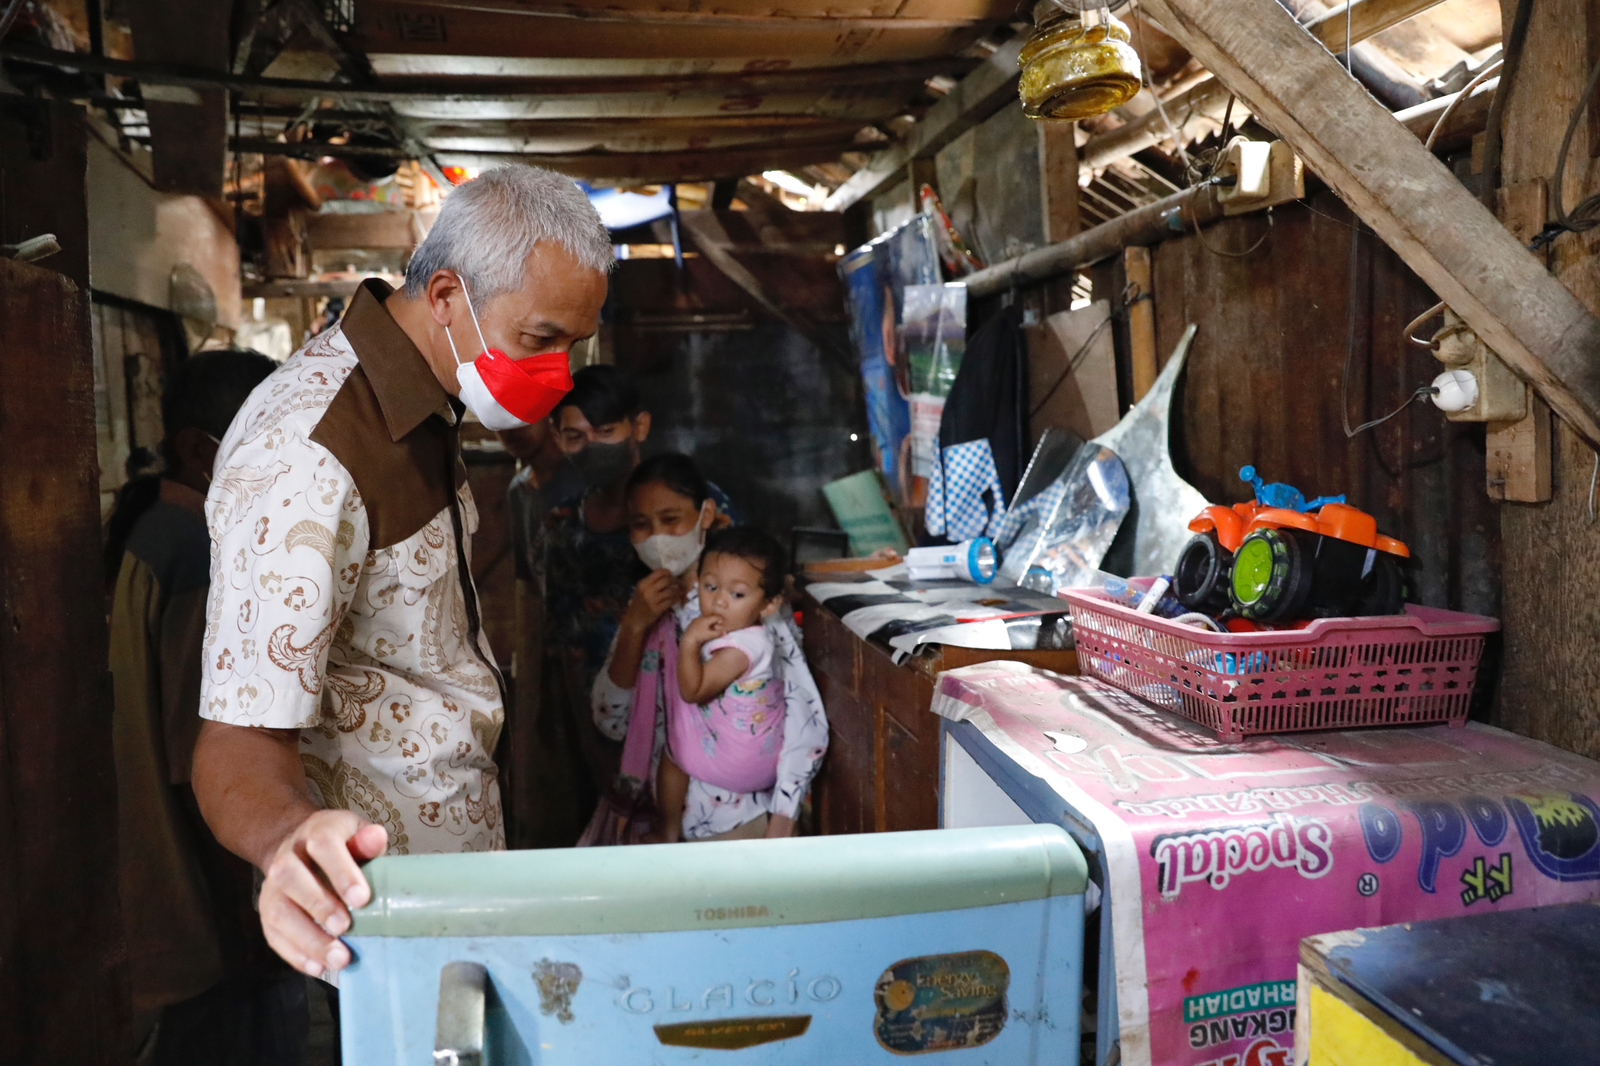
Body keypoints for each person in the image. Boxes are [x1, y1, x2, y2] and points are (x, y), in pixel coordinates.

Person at [190, 165, 612, 981]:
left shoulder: (421, 399)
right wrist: (287, 842)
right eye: (541, 339)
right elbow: (238, 736)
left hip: (451, 878)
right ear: (448, 295)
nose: (561, 373)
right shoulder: (308, 451)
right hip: (383, 912)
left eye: (576, 344)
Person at [108, 349, 300, 1064]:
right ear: (199, 449)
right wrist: (243, 917)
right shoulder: (198, 552)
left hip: (174, 890)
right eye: (265, 440)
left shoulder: (158, 529)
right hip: (207, 899)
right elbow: (202, 758)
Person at [531, 369, 735, 832]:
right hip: (610, 723)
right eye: (575, 436)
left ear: (638, 427)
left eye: (606, 431)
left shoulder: (703, 509)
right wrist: (589, 749)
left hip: (706, 738)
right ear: (557, 438)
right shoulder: (561, 528)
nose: (593, 447)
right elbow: (566, 651)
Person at [592, 455, 827, 842]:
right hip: (666, 825)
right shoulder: (644, 611)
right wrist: (634, 627)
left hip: (746, 821)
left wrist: (784, 818)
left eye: (671, 519)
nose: (657, 537)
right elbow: (612, 721)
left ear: (706, 515)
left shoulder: (753, 608)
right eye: (641, 525)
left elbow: (803, 714)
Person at [662, 527, 790, 843]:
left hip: (740, 767)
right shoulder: (757, 633)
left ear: (769, 605)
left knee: (674, 739)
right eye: (710, 587)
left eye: (737, 595)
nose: (719, 601)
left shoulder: (739, 649)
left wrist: (689, 641)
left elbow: (692, 691)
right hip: (765, 758)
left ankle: (666, 831)